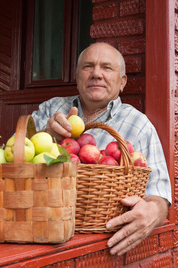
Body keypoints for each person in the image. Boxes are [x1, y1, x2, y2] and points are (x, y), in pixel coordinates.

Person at [32, 42, 172, 255]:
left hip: (100, 246)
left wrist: (152, 212)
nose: (96, 73)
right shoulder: (51, 109)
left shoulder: (138, 124)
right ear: (77, 77)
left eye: (107, 67)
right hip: (40, 229)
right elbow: (8, 162)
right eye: (88, 66)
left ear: (122, 82)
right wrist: (45, 135)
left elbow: (159, 195)